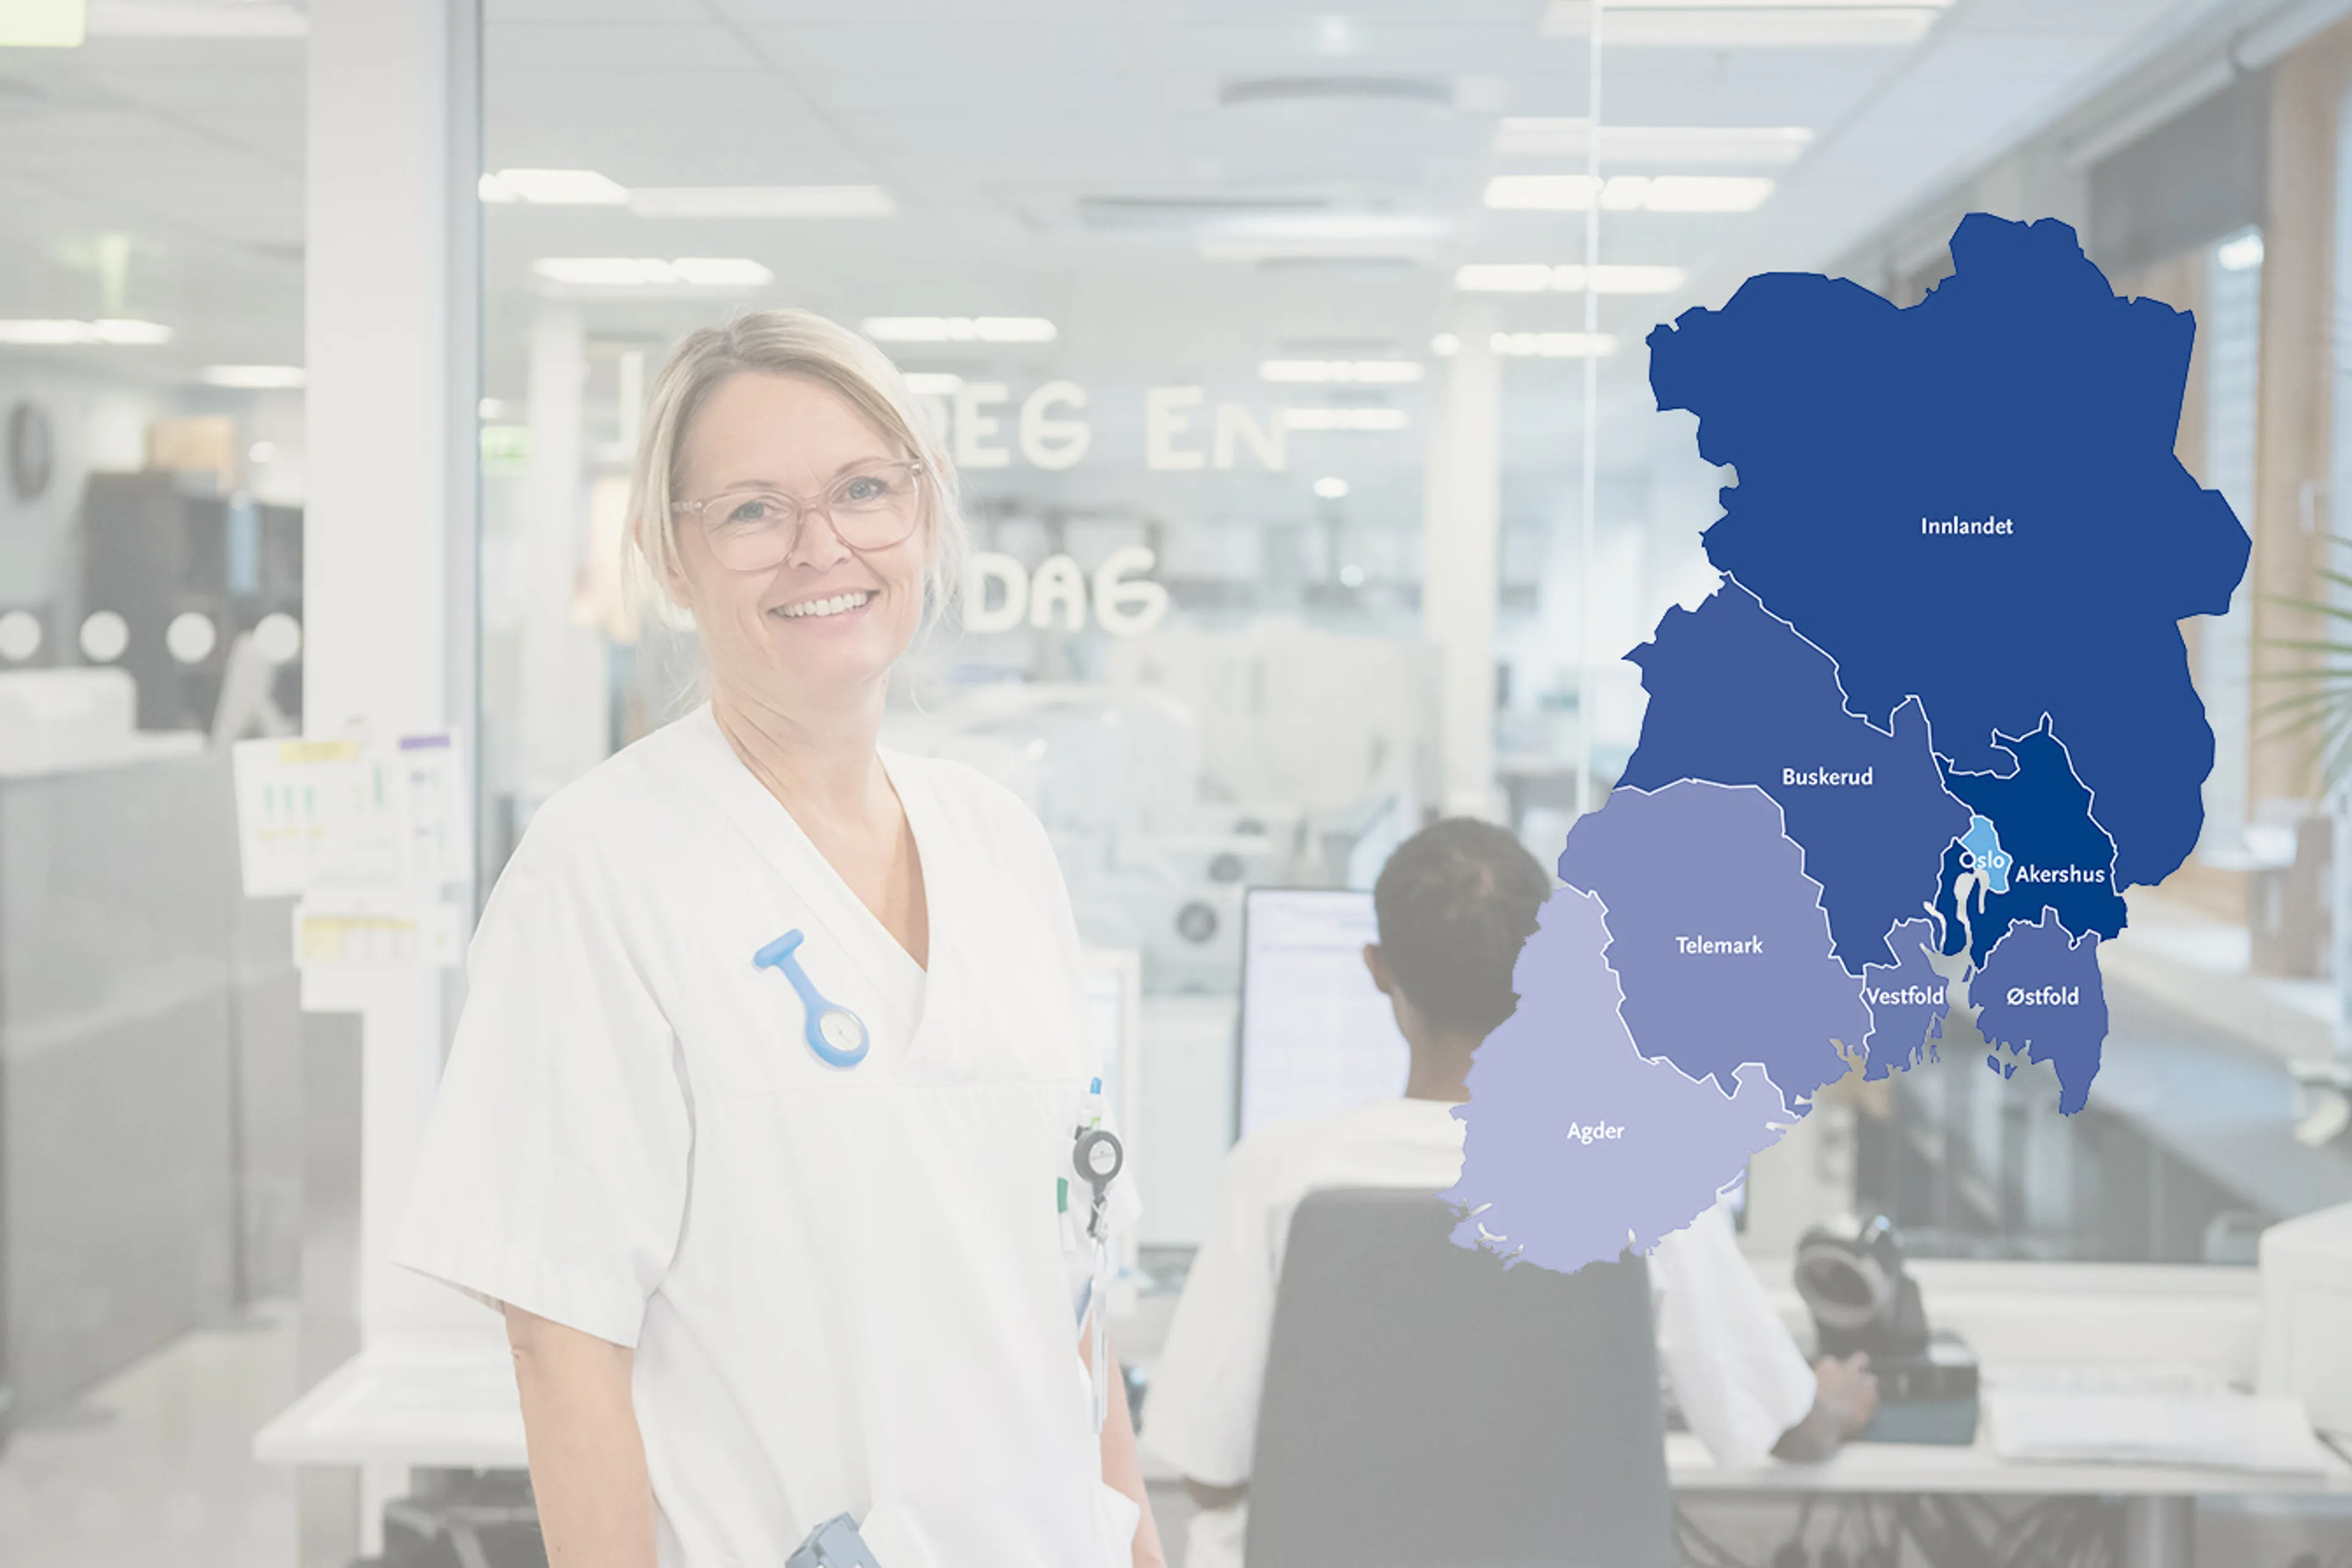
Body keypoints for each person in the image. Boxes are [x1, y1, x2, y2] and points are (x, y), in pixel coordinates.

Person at [394, 309, 1164, 1568]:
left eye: (866, 489)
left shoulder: (1002, 842)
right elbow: (561, 1343)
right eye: (753, 510)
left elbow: (1070, 1303)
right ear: (669, 554)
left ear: (925, 511)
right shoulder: (602, 867)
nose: (823, 546)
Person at [1144, 818, 1877, 1568]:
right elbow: (1781, 1428)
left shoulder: (1276, 1175)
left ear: (1377, 968)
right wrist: (1835, 1405)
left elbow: (1210, 1473)